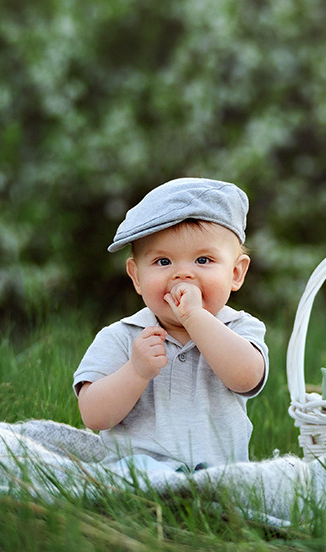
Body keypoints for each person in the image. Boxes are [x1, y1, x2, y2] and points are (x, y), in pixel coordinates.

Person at [72, 177, 268, 472]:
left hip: (218, 473)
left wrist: (196, 318)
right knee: (135, 471)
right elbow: (94, 416)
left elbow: (247, 378)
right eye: (163, 262)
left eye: (203, 260)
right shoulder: (123, 336)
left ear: (236, 273)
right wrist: (135, 371)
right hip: (138, 470)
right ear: (136, 277)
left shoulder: (240, 328)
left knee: (239, 485)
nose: (183, 275)